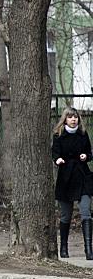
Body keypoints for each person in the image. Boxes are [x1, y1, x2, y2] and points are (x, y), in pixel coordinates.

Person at [52, 106, 93, 259]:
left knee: (85, 212)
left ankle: (88, 249)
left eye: (75, 117)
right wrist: (58, 159)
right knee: (65, 215)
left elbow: (90, 153)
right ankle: (63, 247)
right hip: (66, 178)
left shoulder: (83, 134)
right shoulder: (58, 135)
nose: (73, 119)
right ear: (65, 119)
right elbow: (54, 152)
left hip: (83, 176)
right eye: (70, 117)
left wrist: (86, 156)